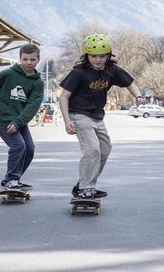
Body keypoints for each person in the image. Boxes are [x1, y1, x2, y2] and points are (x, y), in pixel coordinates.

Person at [58, 34, 145, 200]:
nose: (98, 60)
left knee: (104, 150)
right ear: (86, 56)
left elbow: (129, 83)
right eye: (93, 56)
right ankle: (86, 188)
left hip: (97, 116)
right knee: (92, 150)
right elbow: (63, 97)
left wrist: (138, 96)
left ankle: (82, 184)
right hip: (79, 114)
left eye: (102, 56)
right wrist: (67, 120)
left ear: (108, 55)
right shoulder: (79, 73)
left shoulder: (112, 70)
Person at [0, 43, 44, 190]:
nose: (28, 62)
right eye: (25, 59)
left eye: (32, 60)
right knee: (18, 145)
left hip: (19, 119)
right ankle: (11, 179)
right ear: (20, 58)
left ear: (38, 60)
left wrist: (18, 121)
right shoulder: (7, 74)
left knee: (30, 149)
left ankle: (13, 178)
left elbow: (32, 106)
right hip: (1, 117)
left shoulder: (38, 83)